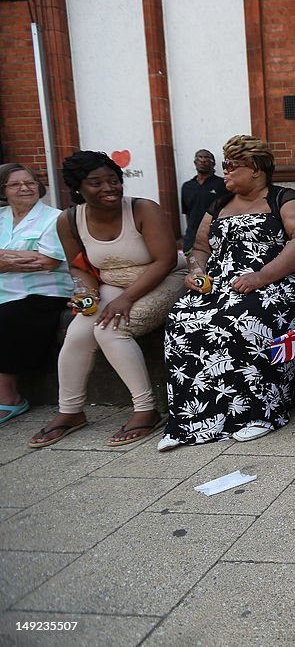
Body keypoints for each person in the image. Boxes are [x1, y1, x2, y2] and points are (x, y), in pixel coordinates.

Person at [160, 135, 295, 450]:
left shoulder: (285, 199)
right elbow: (200, 246)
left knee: (243, 317)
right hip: (220, 285)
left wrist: (260, 276)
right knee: (181, 319)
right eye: (225, 166)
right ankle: (192, 420)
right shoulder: (219, 204)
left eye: (233, 166)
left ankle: (260, 413)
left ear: (257, 170)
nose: (226, 172)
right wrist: (197, 271)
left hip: (278, 284)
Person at [28, 151, 185, 448]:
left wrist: (126, 299)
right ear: (78, 188)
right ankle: (70, 412)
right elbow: (77, 265)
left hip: (164, 279)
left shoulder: (142, 209)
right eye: (96, 183)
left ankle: (145, 409)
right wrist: (86, 292)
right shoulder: (69, 220)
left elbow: (165, 260)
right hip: (111, 283)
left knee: (111, 329)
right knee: (76, 334)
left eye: (113, 180)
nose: (109, 188)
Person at [0, 164, 73, 423]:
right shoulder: (1, 217)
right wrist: (22, 258)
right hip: (5, 290)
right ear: (3, 190)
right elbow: (36, 258)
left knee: (9, 317)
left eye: (30, 183)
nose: (25, 188)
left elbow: (49, 261)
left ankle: (9, 397)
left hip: (45, 290)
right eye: (16, 184)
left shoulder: (54, 217)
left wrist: (3, 259)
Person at [180, 149, 228, 253]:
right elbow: (188, 213)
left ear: (213, 163)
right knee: (193, 267)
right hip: (192, 238)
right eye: (199, 157)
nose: (202, 160)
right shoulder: (187, 186)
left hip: (216, 236)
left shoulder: (223, 184)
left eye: (206, 158)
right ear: (195, 162)